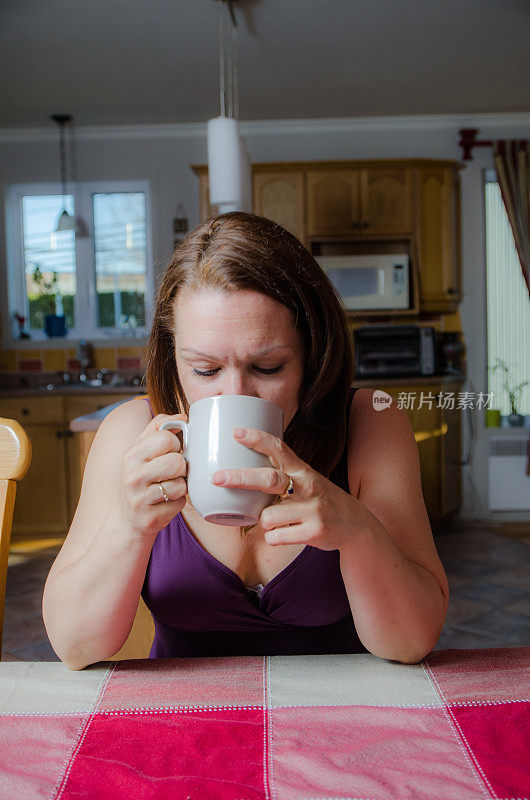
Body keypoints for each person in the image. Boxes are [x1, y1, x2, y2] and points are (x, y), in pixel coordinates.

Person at [43, 212, 449, 670]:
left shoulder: (370, 424)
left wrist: (357, 531)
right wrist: (128, 524)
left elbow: (412, 641)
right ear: (172, 356)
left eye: (269, 367)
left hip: (339, 720)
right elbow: (75, 646)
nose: (234, 395)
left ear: (312, 357)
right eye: (204, 370)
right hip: (185, 721)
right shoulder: (131, 431)